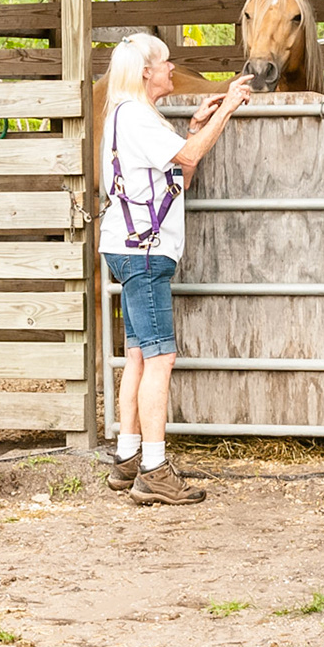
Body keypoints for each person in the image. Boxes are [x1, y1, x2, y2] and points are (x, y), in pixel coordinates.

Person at [99, 33, 252, 504]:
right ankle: (155, 470)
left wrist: (196, 126)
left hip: (131, 248)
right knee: (161, 358)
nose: (172, 69)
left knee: (140, 356)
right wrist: (228, 107)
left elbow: (177, 175)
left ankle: (128, 458)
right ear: (147, 72)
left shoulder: (132, 115)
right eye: (166, 63)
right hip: (144, 252)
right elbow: (189, 159)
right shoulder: (136, 117)